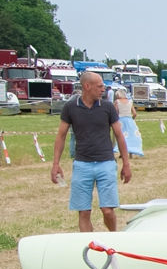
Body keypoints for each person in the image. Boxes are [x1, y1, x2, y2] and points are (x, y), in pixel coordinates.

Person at [50, 70, 132, 231]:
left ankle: (113, 238)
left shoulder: (108, 107)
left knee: (107, 210)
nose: (103, 89)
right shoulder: (70, 107)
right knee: (84, 212)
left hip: (106, 163)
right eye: (100, 86)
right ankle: (90, 247)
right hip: (82, 165)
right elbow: (61, 136)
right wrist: (55, 164)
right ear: (87, 86)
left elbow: (119, 135)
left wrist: (126, 164)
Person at [113, 89, 144, 156]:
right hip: (130, 120)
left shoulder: (117, 102)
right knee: (131, 136)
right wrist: (132, 119)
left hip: (121, 121)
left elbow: (115, 112)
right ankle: (131, 152)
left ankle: (122, 153)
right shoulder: (130, 102)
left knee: (121, 136)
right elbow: (135, 113)